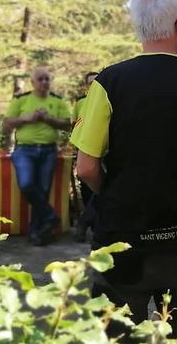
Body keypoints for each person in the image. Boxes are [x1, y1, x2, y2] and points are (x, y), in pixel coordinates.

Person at [71, 0, 177, 342]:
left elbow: (85, 168)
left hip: (123, 241)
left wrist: (114, 192)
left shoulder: (108, 84)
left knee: (115, 336)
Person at [3, 67, 72, 246]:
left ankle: (37, 233)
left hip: (49, 151)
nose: (44, 82)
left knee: (42, 192)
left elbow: (67, 124)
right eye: (40, 79)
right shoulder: (21, 99)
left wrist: (48, 119)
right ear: (32, 82)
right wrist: (27, 118)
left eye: (47, 79)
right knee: (26, 185)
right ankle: (50, 217)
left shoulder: (57, 101)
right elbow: (7, 123)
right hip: (25, 150)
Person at [72, 71, 99, 242]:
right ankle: (88, 223)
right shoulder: (81, 103)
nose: (93, 85)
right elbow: (75, 126)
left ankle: (84, 223)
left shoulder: (109, 98)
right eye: (90, 83)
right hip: (85, 149)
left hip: (104, 150)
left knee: (101, 189)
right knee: (88, 190)